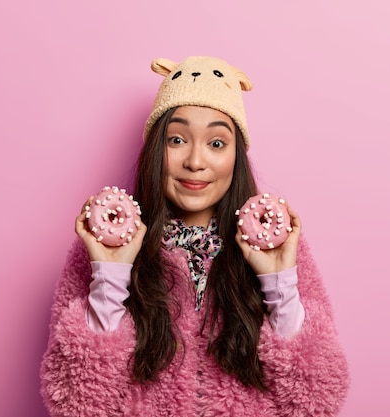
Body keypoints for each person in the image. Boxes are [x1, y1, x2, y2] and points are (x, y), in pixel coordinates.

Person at [40, 55, 350, 417]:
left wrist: (277, 284)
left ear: (237, 157)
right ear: (156, 150)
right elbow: (75, 402)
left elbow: (316, 400)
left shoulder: (277, 246)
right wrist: (111, 277)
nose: (196, 161)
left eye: (217, 143)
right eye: (177, 139)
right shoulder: (105, 245)